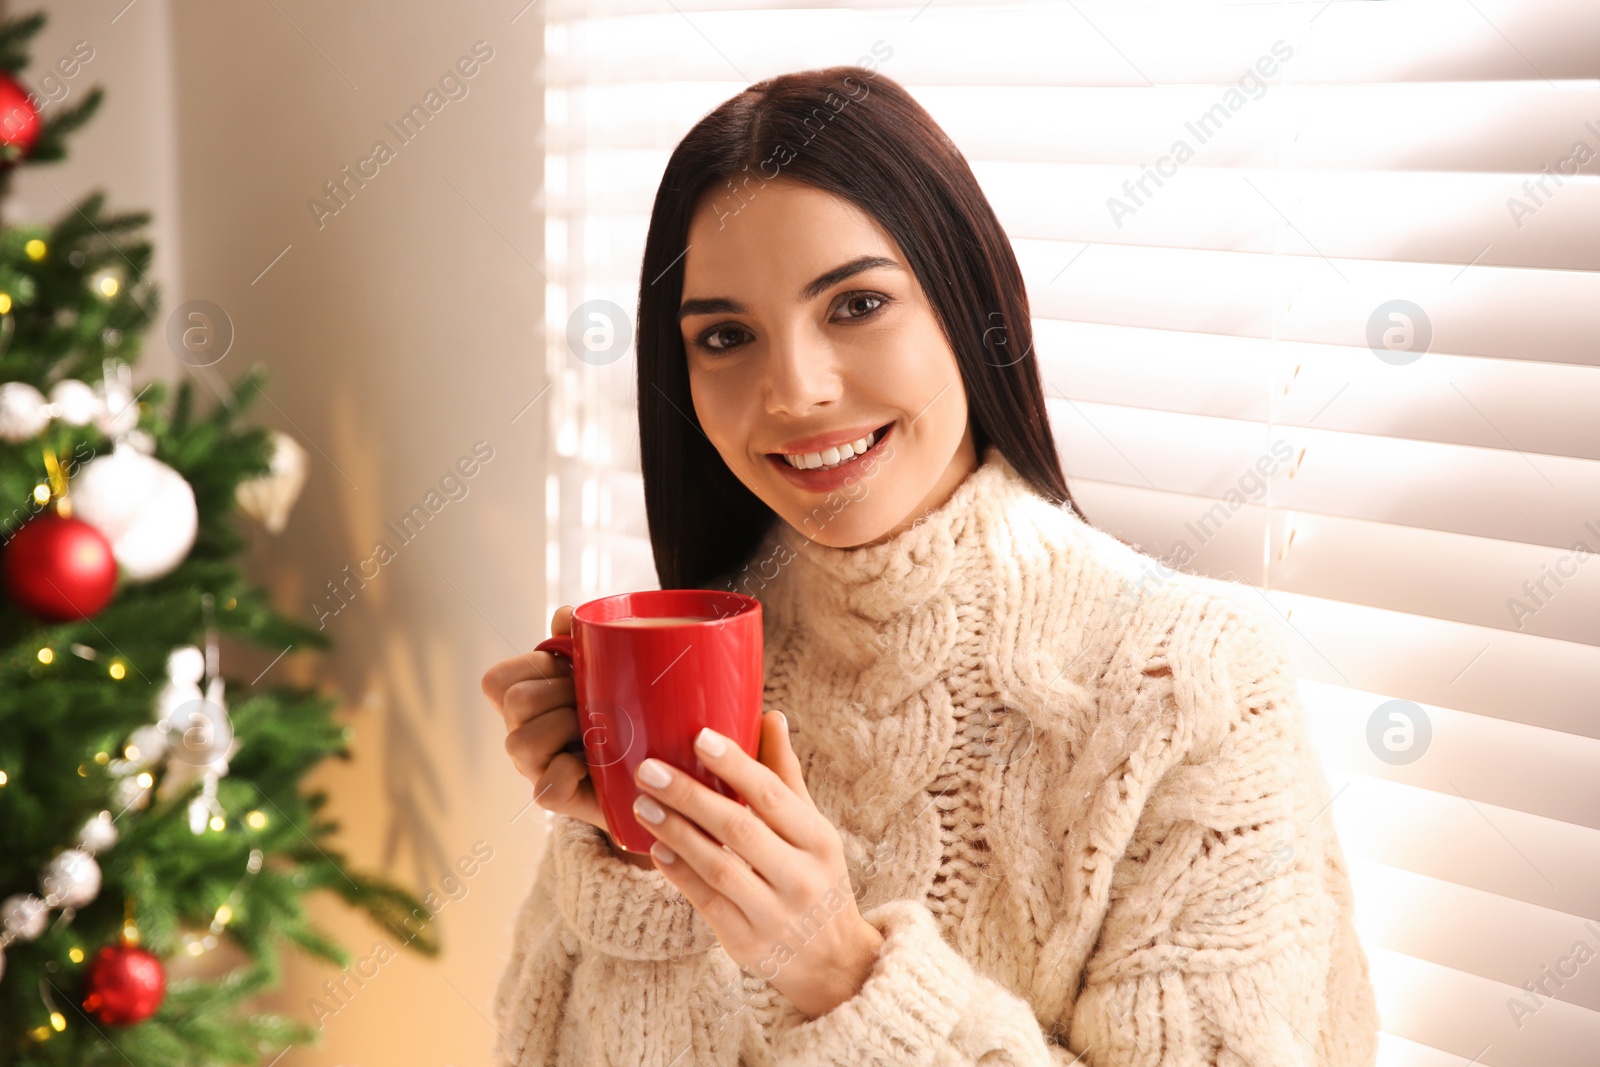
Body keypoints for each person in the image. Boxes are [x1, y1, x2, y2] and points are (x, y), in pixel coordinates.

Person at [480, 64, 1379, 1066]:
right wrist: (634, 842)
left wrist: (840, 971)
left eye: (856, 304)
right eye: (726, 336)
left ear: (968, 303)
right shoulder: (703, 673)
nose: (794, 390)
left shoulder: (1195, 681)